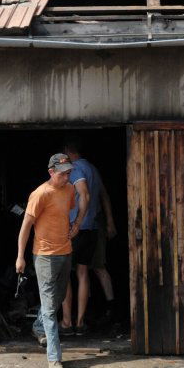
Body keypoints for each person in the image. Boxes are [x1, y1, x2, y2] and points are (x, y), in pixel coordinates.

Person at [15, 153, 77, 368]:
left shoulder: (70, 190)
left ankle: (39, 327)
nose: (67, 176)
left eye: (69, 172)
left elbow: (65, 214)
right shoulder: (40, 194)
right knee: (51, 309)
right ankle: (54, 358)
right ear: (51, 172)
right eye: (63, 173)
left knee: (56, 299)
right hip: (44, 257)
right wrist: (20, 256)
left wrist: (76, 225)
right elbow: (26, 226)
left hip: (65, 253)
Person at [60, 140, 117, 335]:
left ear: (68, 151)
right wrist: (108, 222)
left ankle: (67, 323)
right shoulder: (93, 168)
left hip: (75, 229)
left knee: (66, 274)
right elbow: (104, 195)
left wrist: (76, 222)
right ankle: (80, 322)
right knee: (83, 274)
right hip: (92, 228)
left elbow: (84, 194)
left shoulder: (74, 169)